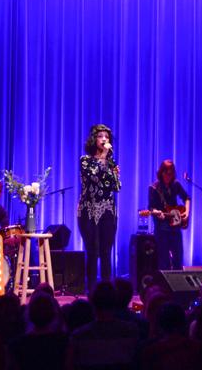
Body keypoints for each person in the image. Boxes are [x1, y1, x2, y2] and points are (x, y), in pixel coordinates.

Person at [77, 124, 121, 292]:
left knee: (106, 252)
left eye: (107, 137)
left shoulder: (111, 162)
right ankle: (92, 292)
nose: (104, 139)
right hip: (89, 210)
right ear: (94, 139)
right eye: (100, 136)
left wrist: (115, 172)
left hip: (108, 210)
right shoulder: (85, 161)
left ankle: (107, 292)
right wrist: (103, 156)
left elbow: (117, 187)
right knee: (93, 250)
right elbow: (94, 176)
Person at [148, 160, 190, 270]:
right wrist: (157, 213)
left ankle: (178, 284)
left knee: (178, 260)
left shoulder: (175, 185)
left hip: (175, 227)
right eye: (166, 173)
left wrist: (186, 212)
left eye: (171, 174)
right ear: (161, 173)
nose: (169, 176)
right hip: (162, 229)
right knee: (164, 262)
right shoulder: (154, 188)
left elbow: (187, 198)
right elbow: (151, 208)